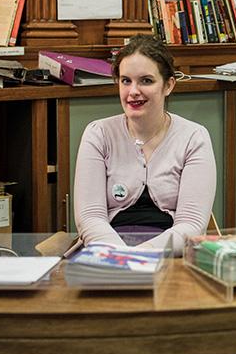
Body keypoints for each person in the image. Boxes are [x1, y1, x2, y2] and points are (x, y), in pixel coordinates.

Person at [74, 35, 216, 255]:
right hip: (108, 253)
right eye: (125, 80)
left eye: (146, 81)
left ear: (168, 85)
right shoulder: (98, 134)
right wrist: (121, 257)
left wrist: (142, 255)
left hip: (170, 255)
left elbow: (192, 224)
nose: (133, 91)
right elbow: (90, 218)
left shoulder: (194, 137)